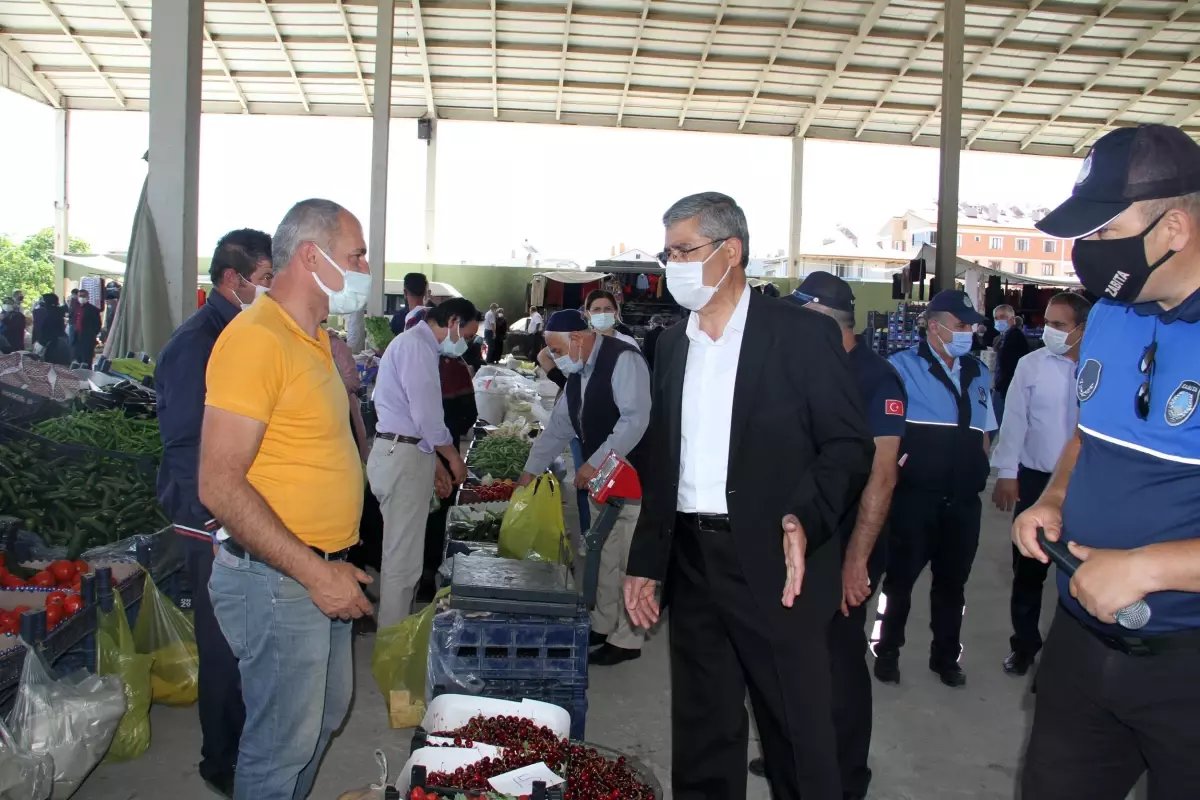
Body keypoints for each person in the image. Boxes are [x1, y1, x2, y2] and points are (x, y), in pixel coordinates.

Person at [624, 192, 874, 800]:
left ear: (730, 252)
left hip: (774, 558)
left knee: (796, 731)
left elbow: (848, 444)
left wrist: (806, 518)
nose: (671, 265)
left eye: (684, 250)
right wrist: (645, 562)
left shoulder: (799, 336)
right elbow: (665, 460)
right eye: (667, 252)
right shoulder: (672, 344)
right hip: (692, 556)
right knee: (704, 723)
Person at [1011, 124, 1200, 799]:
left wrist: (1149, 567)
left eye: (1102, 230)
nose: (1084, 251)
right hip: (1082, 648)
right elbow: (1091, 436)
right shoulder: (1117, 312)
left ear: (1173, 227)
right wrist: (1056, 497)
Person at [199, 199, 373, 800]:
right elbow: (219, 483)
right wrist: (312, 571)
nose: (365, 267)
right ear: (310, 256)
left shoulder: (316, 339)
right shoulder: (256, 340)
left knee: (324, 716)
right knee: (280, 744)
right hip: (278, 579)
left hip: (317, 565)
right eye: (355, 256)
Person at [745, 272, 906, 800]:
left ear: (821, 321)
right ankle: (796, 757)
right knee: (790, 658)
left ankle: (845, 776)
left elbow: (881, 478)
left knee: (838, 665)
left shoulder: (875, 379)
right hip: (802, 539)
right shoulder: (808, 365)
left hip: (845, 545)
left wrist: (856, 561)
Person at [156, 228, 273, 798]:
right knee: (224, 642)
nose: (271, 290)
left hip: (241, 510)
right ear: (234, 279)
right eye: (266, 280)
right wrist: (218, 518)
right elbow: (182, 444)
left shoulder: (245, 333)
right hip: (209, 519)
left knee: (248, 636)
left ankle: (246, 742)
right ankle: (219, 760)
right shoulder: (196, 343)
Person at [874, 289, 997, 689]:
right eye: (962, 326)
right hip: (914, 500)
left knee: (952, 586)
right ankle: (887, 650)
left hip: (963, 502)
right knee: (899, 581)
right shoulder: (900, 369)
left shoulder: (979, 371)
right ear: (934, 325)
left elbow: (984, 433)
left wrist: (976, 466)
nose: (969, 333)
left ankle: (946, 657)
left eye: (972, 326)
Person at [519, 309, 651, 665]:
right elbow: (559, 427)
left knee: (627, 559)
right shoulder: (577, 372)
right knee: (602, 554)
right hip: (601, 481)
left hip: (631, 476)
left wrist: (595, 462)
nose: (556, 359)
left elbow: (635, 419)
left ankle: (627, 638)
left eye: (557, 350)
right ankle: (603, 623)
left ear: (578, 339)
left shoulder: (623, 359)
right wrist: (529, 471)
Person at [990, 292, 1092, 677]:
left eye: (1060, 325)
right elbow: (1014, 422)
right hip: (1036, 482)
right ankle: (1024, 645)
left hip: (1087, 485)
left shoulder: (1102, 367)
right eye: (1048, 322)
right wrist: (1006, 473)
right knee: (1029, 569)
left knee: (1081, 568)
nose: (1050, 330)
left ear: (1082, 329)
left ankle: (1074, 652)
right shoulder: (1031, 366)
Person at [367, 297, 473, 627]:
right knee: (402, 562)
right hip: (401, 459)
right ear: (453, 321)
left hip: (405, 452)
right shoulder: (417, 347)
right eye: (466, 335)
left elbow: (415, 422)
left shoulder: (416, 345)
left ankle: (398, 634)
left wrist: (436, 465)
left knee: (404, 555)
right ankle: (393, 647)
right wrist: (453, 459)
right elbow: (427, 417)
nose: (465, 344)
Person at [992, 303, 1029, 428]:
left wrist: (1001, 386)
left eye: (1002, 317)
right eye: (996, 318)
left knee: (995, 424)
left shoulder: (1015, 337)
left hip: (1006, 389)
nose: (999, 320)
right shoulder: (1004, 337)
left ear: (1012, 319)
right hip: (1003, 387)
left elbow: (1010, 365)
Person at [32, 293, 69, 365]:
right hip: (60, 344)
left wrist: (40, 343)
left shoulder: (49, 315)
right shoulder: (58, 312)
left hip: (51, 345)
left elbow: (46, 331)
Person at [72, 289, 103, 366]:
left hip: (87, 338)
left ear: (87, 297)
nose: (81, 298)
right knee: (77, 358)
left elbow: (98, 324)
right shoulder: (75, 308)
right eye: (80, 296)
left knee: (86, 360)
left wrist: (92, 335)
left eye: (83, 296)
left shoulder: (93, 309)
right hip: (76, 337)